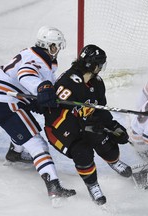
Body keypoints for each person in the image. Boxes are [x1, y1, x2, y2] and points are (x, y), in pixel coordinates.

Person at [0, 26, 76, 201]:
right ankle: (54, 188)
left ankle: (16, 152)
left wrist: (37, 98)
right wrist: (41, 88)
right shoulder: (39, 60)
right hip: (5, 102)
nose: (58, 49)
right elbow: (26, 74)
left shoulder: (33, 53)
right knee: (37, 143)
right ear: (49, 45)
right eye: (56, 46)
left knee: (20, 125)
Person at [43, 44, 132, 206]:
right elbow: (53, 115)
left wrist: (112, 126)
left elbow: (99, 109)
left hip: (83, 123)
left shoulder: (97, 82)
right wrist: (85, 126)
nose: (101, 68)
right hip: (59, 130)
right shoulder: (67, 84)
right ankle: (92, 185)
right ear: (93, 65)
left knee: (108, 142)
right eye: (100, 64)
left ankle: (113, 162)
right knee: (83, 152)